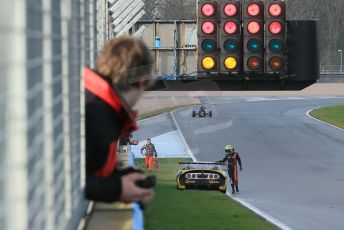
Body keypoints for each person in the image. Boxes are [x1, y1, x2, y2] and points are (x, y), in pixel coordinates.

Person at [85, 36, 155, 204]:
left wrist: (122, 177)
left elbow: (89, 168)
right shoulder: (96, 115)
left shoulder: (95, 102)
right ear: (141, 82)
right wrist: (118, 189)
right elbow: (70, 182)